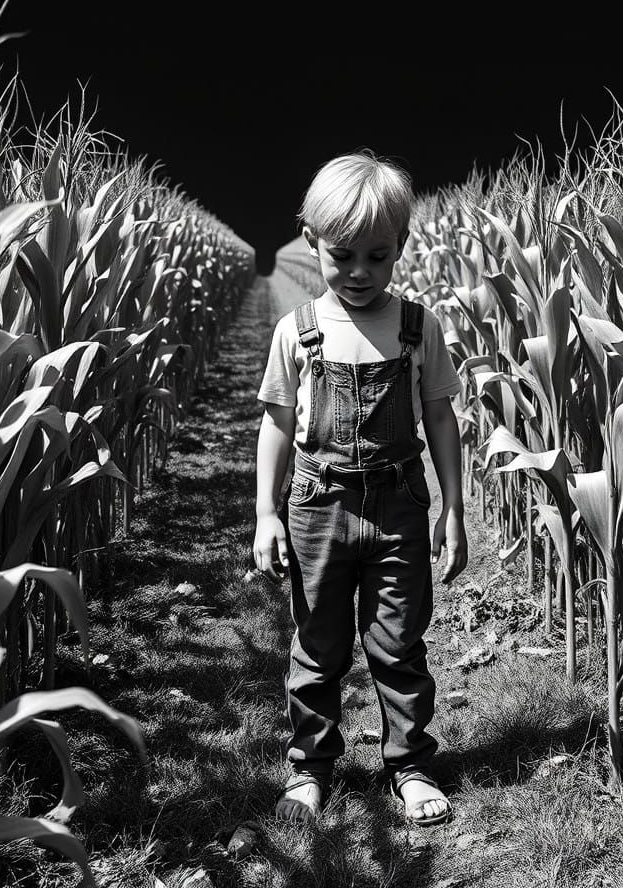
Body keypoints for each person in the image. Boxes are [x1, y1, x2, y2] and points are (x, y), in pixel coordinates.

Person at [254, 150, 468, 827]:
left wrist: (455, 509)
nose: (359, 273)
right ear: (312, 243)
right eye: (342, 255)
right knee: (318, 643)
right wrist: (264, 511)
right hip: (318, 506)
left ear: (401, 247)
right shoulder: (298, 332)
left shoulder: (415, 327)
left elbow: (439, 417)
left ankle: (408, 764)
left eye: (378, 256)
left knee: (399, 641)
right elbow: (277, 426)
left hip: (399, 504)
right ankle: (311, 767)